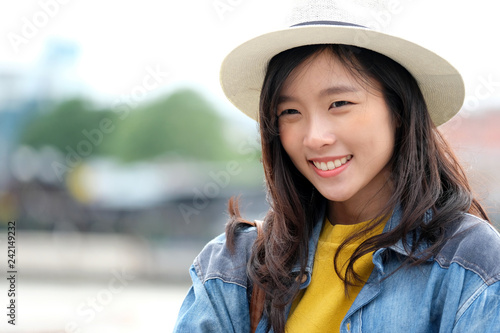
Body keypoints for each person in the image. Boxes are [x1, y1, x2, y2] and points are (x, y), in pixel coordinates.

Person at [174, 1, 500, 332]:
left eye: (339, 104)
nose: (314, 138)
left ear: (398, 109)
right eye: (290, 112)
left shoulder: (470, 265)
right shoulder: (234, 267)